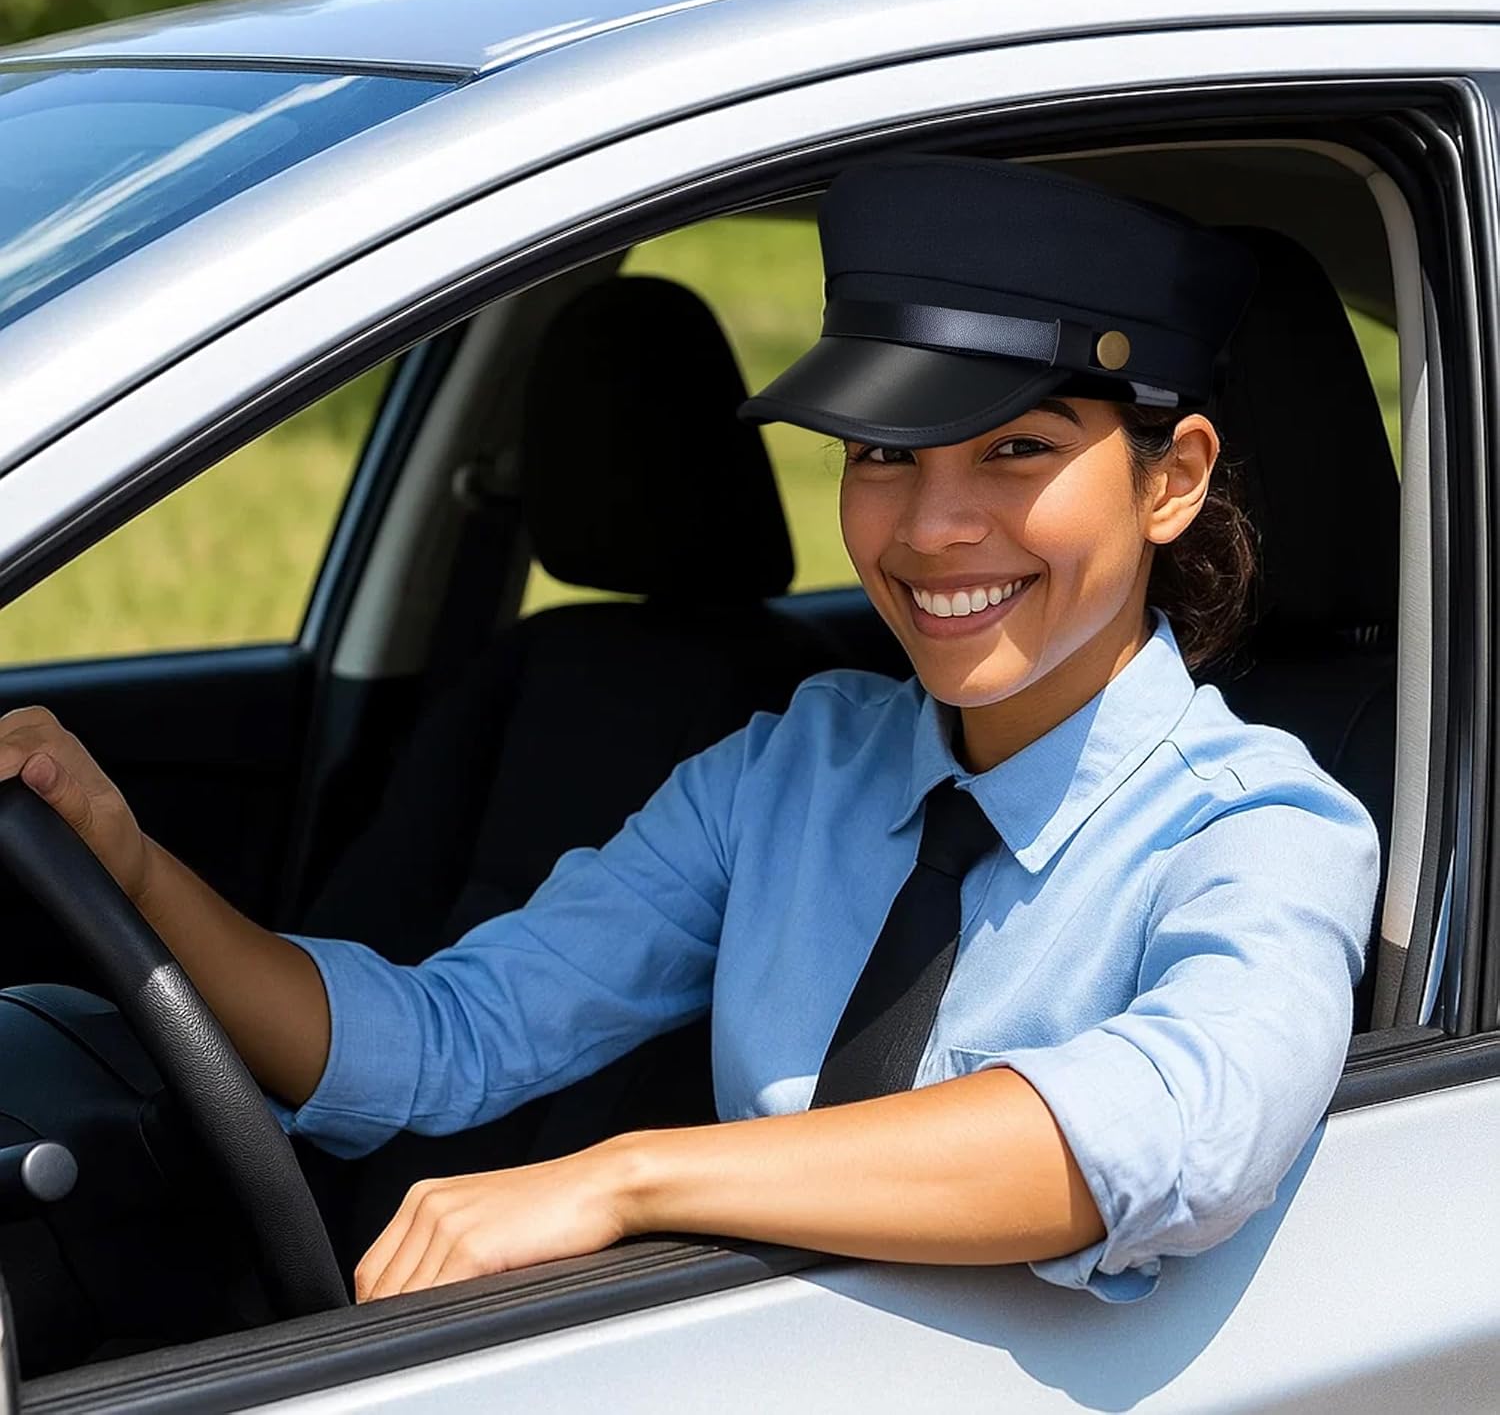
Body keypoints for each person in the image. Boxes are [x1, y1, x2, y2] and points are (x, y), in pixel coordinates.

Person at [0, 154, 1379, 1306]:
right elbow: (443, 1039)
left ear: (1172, 479)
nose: (933, 527)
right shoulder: (796, 766)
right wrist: (130, 867)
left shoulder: (1260, 828)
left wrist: (624, 1177)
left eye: (1017, 450)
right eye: (884, 454)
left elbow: (1172, 1135)